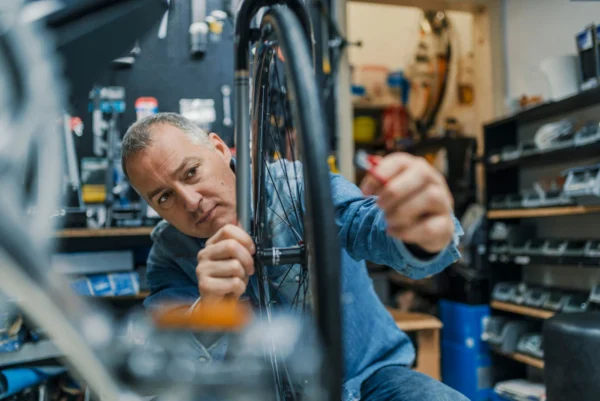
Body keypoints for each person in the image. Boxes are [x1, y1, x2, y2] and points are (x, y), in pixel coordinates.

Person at [121, 112, 468, 401]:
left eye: (191, 172)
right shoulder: (169, 254)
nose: (190, 201)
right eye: (164, 197)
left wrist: (422, 231)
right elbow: (167, 364)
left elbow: (367, 225)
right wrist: (209, 309)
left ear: (219, 148)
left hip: (366, 384)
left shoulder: (298, 186)